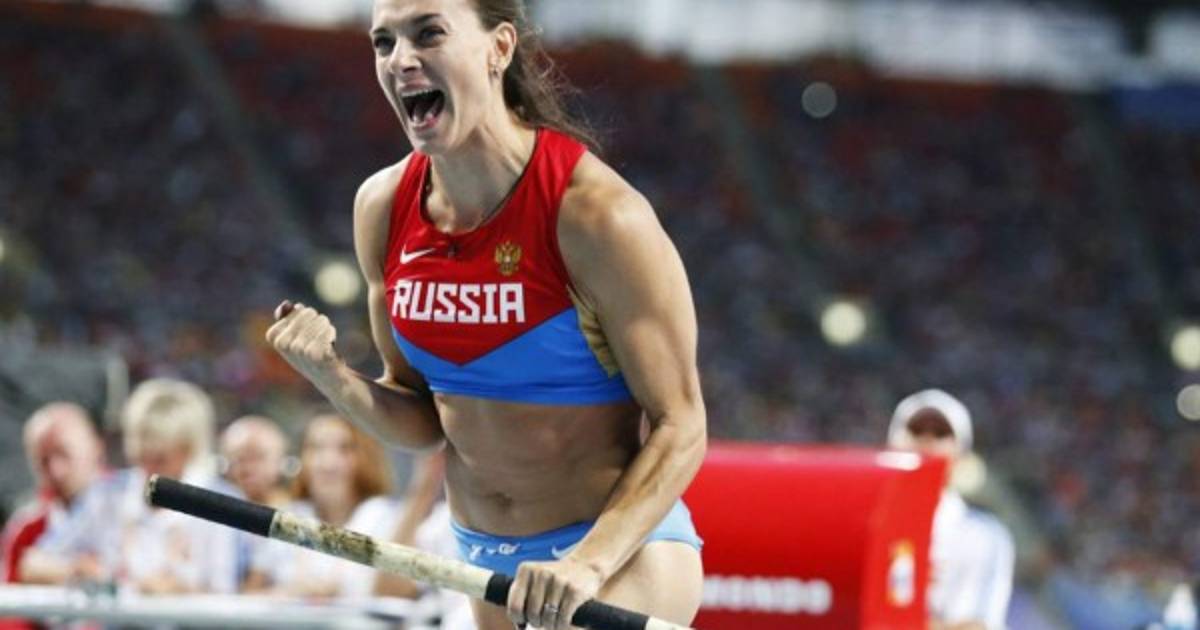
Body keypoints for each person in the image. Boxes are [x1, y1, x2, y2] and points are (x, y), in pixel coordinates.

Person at [265, 1, 706, 628]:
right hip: (485, 562)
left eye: (429, 34)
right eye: (383, 43)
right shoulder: (383, 208)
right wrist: (332, 377)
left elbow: (682, 424)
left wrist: (587, 563)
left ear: (499, 48)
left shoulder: (597, 215)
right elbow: (421, 420)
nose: (401, 60)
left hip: (612, 556)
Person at [23, 378, 239, 595]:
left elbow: (227, 592)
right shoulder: (108, 494)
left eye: (161, 458)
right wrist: (80, 571)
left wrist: (175, 592)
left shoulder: (221, 504)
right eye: (142, 454)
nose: (150, 468)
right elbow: (34, 563)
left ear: (188, 450)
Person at [888, 389, 1015, 630]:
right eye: (916, 430)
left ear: (961, 452)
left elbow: (977, 625)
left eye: (940, 433)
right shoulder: (864, 526)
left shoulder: (984, 536)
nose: (927, 440)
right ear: (893, 444)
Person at [242, 414, 399, 599]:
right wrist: (290, 593)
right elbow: (248, 596)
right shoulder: (287, 517)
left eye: (344, 449)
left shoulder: (384, 517)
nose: (328, 463)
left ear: (366, 457)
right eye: (316, 448)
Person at [3, 403, 105, 584]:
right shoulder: (26, 532)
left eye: (64, 453)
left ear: (95, 448)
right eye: (43, 460)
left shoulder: (134, 508)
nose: (55, 470)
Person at [219, 415, 292, 508]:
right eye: (240, 459)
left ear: (281, 462)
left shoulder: (301, 513)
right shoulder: (212, 510)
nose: (248, 468)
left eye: (258, 458)